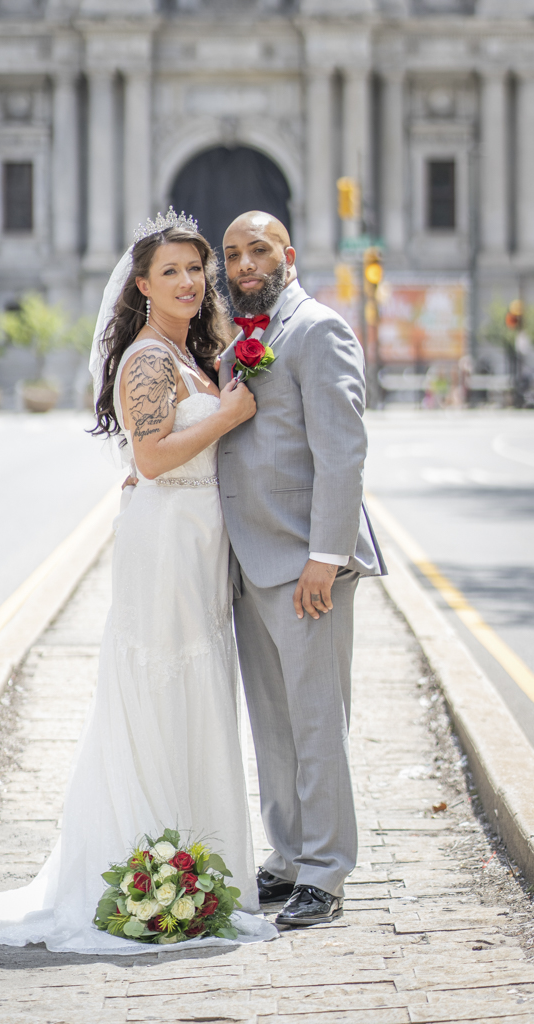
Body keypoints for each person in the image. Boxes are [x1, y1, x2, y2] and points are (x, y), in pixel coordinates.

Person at [0, 210, 277, 953]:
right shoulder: (144, 361)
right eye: (172, 272)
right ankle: (154, 869)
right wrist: (228, 415)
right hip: (163, 544)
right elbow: (153, 459)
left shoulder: (188, 352)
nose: (190, 281)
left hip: (196, 541)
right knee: (161, 690)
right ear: (141, 284)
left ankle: (198, 867)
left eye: (197, 269)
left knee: (197, 691)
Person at [218, 211, 387, 928]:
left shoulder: (317, 330)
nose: (243, 263)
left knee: (316, 724)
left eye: (258, 249)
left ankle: (326, 871)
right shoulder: (243, 339)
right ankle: (287, 857)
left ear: (287, 254)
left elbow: (343, 451)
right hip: (250, 563)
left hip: (304, 563)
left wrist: (326, 556)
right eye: (232, 254)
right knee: (274, 724)